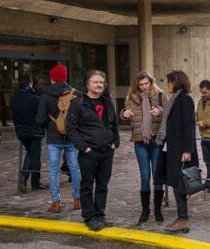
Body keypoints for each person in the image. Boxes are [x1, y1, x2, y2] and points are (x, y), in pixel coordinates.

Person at [65, 69, 120, 231]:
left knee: (103, 185)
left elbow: (114, 124)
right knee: (87, 185)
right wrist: (84, 147)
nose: (99, 85)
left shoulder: (107, 101)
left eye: (101, 82)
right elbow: (71, 128)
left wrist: (115, 142)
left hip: (107, 151)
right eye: (96, 82)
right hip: (89, 152)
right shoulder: (78, 103)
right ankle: (89, 216)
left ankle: (100, 215)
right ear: (87, 84)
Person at [156, 70, 199, 234]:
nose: (167, 85)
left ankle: (183, 219)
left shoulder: (185, 99)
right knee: (175, 182)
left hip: (180, 149)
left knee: (179, 183)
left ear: (176, 82)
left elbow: (189, 126)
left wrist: (187, 150)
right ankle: (182, 218)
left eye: (169, 81)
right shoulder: (175, 99)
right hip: (171, 147)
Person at [36, 63, 81, 214]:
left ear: (52, 79)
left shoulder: (45, 96)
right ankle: (77, 199)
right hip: (72, 137)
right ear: (65, 78)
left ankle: (56, 203)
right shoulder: (76, 94)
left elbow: (40, 120)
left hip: (53, 138)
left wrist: (51, 123)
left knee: (53, 170)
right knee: (75, 168)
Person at [121, 71, 165, 225]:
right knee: (145, 176)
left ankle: (158, 210)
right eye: (141, 84)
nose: (144, 87)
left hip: (156, 141)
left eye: (147, 83)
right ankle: (145, 210)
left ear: (151, 83)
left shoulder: (160, 95)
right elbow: (126, 116)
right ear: (137, 85)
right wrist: (124, 115)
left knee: (157, 176)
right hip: (140, 141)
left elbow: (168, 115)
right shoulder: (131, 98)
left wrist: (160, 111)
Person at [9, 71, 43, 193]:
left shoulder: (13, 98)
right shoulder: (36, 99)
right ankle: (34, 182)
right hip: (34, 131)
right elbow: (41, 116)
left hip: (21, 131)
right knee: (35, 156)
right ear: (30, 84)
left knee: (30, 153)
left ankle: (24, 177)